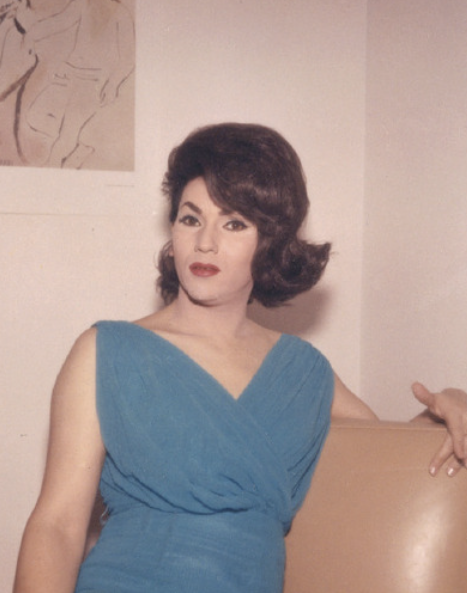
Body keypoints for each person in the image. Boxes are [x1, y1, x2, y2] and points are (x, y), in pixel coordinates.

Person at [13, 123, 467, 593]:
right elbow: (57, 526)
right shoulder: (105, 352)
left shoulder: (303, 372)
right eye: (191, 219)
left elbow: (387, 461)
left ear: (270, 241)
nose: (205, 242)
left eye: (234, 223)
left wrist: (449, 408)